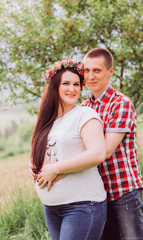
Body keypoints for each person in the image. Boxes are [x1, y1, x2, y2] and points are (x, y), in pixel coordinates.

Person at [29, 59, 107, 240]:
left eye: (76, 84)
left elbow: (98, 153)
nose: (72, 89)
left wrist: (56, 168)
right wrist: (33, 164)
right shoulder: (49, 120)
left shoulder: (85, 114)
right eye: (66, 83)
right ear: (55, 86)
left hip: (82, 206)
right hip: (52, 209)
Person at [82, 48, 143, 240]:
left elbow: (105, 151)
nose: (90, 76)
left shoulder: (121, 104)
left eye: (97, 70)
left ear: (110, 72)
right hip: (97, 194)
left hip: (123, 190)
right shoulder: (84, 108)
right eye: (86, 71)